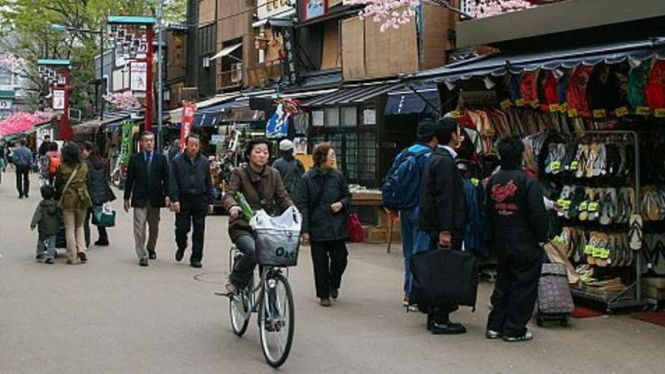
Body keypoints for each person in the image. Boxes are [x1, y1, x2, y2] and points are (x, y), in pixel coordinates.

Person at [485, 136, 549, 343]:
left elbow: (487, 212)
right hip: (525, 242)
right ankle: (514, 328)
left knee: (503, 282)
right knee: (523, 285)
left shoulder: (494, 180)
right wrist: (542, 238)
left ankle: (495, 325)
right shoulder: (527, 181)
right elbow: (537, 214)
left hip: (501, 240)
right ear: (522, 155)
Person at [419, 118, 469, 335]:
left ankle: (434, 315)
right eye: (459, 132)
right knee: (446, 271)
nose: (461, 136)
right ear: (452, 135)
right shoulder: (446, 162)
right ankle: (441, 317)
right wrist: (446, 230)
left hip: (436, 226)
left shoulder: (435, 157)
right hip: (444, 228)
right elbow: (446, 199)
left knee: (438, 269)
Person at [223, 138, 293, 293]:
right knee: (254, 252)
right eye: (258, 151)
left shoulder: (274, 174)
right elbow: (230, 194)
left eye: (266, 152)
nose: (262, 155)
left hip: (266, 228)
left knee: (272, 267)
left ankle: (272, 312)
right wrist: (233, 206)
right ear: (249, 155)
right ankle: (235, 280)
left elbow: (283, 197)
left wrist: (293, 211)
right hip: (243, 227)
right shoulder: (239, 173)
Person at [386, 119, 437, 307]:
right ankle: (416, 294)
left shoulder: (404, 153)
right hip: (421, 209)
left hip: (404, 209)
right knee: (420, 252)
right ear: (434, 137)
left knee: (408, 253)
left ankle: (408, 293)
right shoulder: (430, 157)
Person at [297, 143, 351, 307]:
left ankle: (334, 283)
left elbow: (347, 196)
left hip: (336, 226)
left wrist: (341, 204)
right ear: (322, 158)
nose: (334, 158)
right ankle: (323, 294)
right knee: (320, 264)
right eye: (331, 155)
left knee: (341, 259)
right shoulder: (307, 178)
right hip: (317, 226)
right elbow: (302, 205)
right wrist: (304, 230)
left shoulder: (338, 176)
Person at [124, 132, 171, 267]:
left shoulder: (161, 159)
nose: (149, 143)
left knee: (154, 227)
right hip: (139, 197)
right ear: (141, 143)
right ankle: (142, 255)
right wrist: (127, 198)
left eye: (151, 140)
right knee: (139, 227)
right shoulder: (135, 159)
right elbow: (130, 180)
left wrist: (168, 195)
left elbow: (166, 178)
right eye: (146, 141)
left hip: (156, 198)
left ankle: (151, 247)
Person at [169, 134, 214, 268]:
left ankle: (196, 257)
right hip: (183, 198)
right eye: (191, 145)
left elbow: (208, 182)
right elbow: (173, 181)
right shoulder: (177, 161)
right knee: (182, 228)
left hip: (200, 199)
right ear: (186, 145)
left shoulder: (204, 162)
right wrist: (174, 199)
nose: (194, 148)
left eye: (196, 145)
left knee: (199, 230)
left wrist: (210, 201)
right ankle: (181, 245)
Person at [55, 143, 91, 265]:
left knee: (69, 228)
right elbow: (88, 181)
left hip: (68, 199)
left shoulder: (62, 167)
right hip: (82, 199)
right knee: (79, 227)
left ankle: (72, 255)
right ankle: (81, 249)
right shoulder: (84, 166)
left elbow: (57, 184)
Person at [82, 141, 114, 248]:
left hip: (89, 193)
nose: (82, 153)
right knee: (99, 216)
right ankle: (103, 237)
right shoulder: (103, 162)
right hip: (101, 193)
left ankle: (86, 242)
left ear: (89, 150)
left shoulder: (85, 164)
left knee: (85, 219)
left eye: (84, 150)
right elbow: (107, 179)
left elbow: (86, 180)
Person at [30, 185, 60, 264]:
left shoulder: (42, 205)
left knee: (41, 240)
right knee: (52, 241)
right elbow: (60, 214)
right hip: (54, 226)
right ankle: (50, 256)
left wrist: (33, 224)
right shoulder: (56, 204)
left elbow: (37, 215)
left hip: (43, 227)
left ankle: (40, 253)